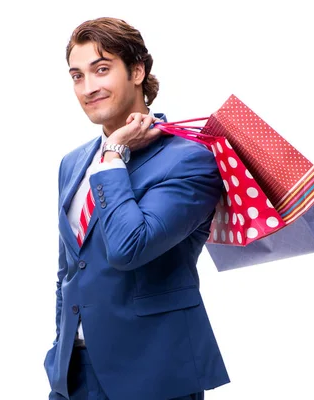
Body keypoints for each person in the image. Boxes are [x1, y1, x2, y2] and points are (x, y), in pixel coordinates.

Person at [44, 17, 230, 400]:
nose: (88, 87)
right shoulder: (72, 163)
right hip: (76, 375)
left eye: (101, 69)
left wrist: (114, 153)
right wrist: (59, 359)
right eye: (77, 76)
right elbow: (69, 270)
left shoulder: (190, 160)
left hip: (153, 373)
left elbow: (129, 247)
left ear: (138, 71)